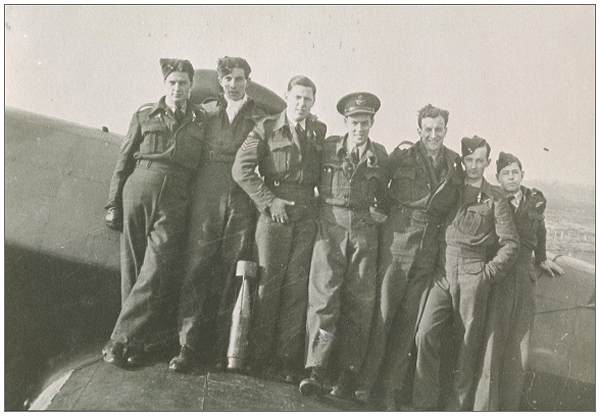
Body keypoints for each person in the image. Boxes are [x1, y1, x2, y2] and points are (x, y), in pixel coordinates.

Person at [356, 104, 461, 409]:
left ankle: (388, 392)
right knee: (383, 316)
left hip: (427, 250)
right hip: (398, 243)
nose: (433, 135)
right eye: (427, 129)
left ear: (445, 130)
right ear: (418, 131)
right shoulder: (401, 155)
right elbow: (376, 182)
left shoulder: (454, 165)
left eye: (438, 129)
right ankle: (364, 384)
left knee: (407, 325)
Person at [102, 58, 205, 368]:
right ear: (165, 85)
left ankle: (118, 340)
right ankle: (135, 344)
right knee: (132, 269)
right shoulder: (144, 114)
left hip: (175, 196)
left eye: (183, 83)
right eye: (173, 82)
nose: (178, 88)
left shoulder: (200, 121)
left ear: (190, 87)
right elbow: (123, 161)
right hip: (139, 187)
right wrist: (112, 204)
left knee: (155, 270)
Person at [169, 57, 268, 372]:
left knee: (230, 272)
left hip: (241, 199)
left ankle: (218, 348)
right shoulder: (206, 114)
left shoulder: (261, 118)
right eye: (228, 79)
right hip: (208, 195)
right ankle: (187, 346)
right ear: (221, 83)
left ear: (247, 82)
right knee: (196, 267)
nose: (234, 84)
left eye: (239, 79)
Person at [413, 136, 520, 410]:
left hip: (474, 275)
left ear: (486, 163)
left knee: (467, 346)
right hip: (444, 272)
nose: (473, 166)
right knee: (425, 334)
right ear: (462, 161)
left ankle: (455, 408)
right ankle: (424, 403)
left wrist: (486, 275)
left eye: (479, 161)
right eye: (469, 160)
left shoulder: (495, 199)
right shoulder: (451, 189)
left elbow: (510, 244)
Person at [232, 75, 327, 383]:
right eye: (297, 97)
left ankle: (284, 361)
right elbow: (241, 169)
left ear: (313, 102)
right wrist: (269, 201)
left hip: (305, 216)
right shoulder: (267, 127)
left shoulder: (318, 131)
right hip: (274, 214)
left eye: (308, 99)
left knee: (297, 290)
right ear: (287, 97)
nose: (302, 104)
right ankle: (258, 359)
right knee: (268, 287)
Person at [299, 92, 388, 399]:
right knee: (324, 296)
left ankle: (347, 374)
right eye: (354, 122)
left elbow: (386, 198)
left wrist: (379, 213)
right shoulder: (328, 149)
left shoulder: (382, 156)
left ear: (372, 123)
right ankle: (316, 368)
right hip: (331, 227)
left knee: (359, 303)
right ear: (345, 122)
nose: (359, 128)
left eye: (364, 122)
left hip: (364, 233)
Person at [473, 152, 564, 410]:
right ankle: (483, 409)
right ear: (499, 178)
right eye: (505, 174)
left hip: (524, 277)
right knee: (492, 347)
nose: (511, 177)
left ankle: (510, 409)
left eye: (515, 172)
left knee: (519, 350)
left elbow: (541, 230)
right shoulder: (494, 199)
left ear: (522, 174)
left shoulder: (534, 200)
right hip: (501, 277)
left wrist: (543, 258)